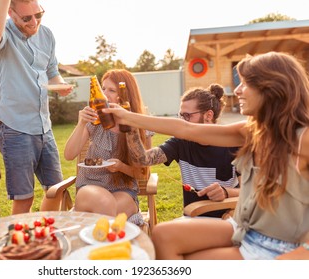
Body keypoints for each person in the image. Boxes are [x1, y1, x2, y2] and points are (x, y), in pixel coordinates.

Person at [104, 51, 309, 260]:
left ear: (272, 88)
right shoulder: (253, 131)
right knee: (163, 235)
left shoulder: (304, 139)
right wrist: (128, 118)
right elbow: (185, 129)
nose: (237, 90)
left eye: (245, 83)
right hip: (244, 226)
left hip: (275, 246)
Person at [0, 0, 73, 214]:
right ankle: (19, 244)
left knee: (56, 190)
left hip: (44, 126)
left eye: (39, 15)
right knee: (24, 198)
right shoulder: (3, 32)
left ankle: (42, 232)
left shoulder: (47, 35)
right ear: (11, 14)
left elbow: (52, 72)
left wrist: (59, 85)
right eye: (26, 18)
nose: (34, 22)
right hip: (15, 127)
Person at [125, 84, 239, 218]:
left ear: (208, 115)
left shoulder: (233, 143)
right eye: (181, 116)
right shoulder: (181, 142)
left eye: (187, 116)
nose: (182, 122)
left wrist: (226, 192)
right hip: (192, 219)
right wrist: (129, 124)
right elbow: (142, 160)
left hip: (228, 218)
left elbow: (252, 192)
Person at [64, 69, 152, 225]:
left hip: (123, 191)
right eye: (102, 89)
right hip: (90, 187)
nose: (104, 94)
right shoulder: (94, 121)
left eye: (111, 90)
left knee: (103, 214)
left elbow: (143, 174)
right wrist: (81, 123)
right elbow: (69, 155)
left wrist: (121, 167)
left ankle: (95, 238)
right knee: (105, 206)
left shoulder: (140, 125)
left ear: (125, 95)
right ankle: (114, 243)